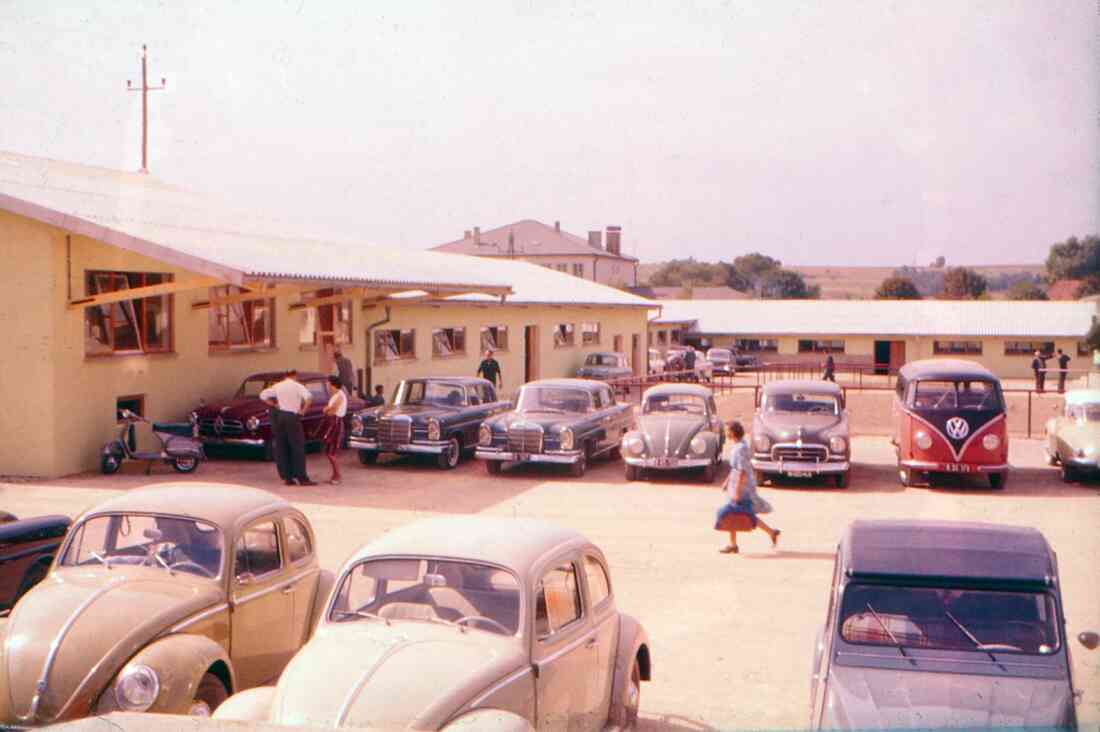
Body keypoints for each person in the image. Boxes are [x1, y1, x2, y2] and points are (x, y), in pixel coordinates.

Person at [715, 420, 780, 554]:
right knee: (739, 514)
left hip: (742, 488)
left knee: (741, 514)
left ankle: (735, 544)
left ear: (732, 432)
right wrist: (727, 482)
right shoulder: (740, 445)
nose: (725, 432)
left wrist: (737, 491)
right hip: (737, 485)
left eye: (727, 430)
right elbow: (735, 468)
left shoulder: (740, 449)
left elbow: (742, 472)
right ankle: (769, 533)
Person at [260, 369, 315, 486]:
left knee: (282, 446)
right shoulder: (297, 386)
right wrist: (303, 411)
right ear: (294, 376)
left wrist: (274, 404)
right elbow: (309, 398)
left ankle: (287, 477)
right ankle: (302, 477)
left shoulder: (278, 386)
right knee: (297, 447)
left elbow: (263, 395)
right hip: (292, 416)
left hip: (280, 416)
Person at [318, 375, 347, 485]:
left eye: (328, 383)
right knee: (329, 451)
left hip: (335, 423)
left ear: (332, 384)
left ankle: (338, 475)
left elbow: (333, 409)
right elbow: (328, 408)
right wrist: (327, 409)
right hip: (332, 422)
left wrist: (326, 409)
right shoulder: (335, 395)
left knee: (332, 452)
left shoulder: (340, 395)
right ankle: (334, 475)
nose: (327, 385)